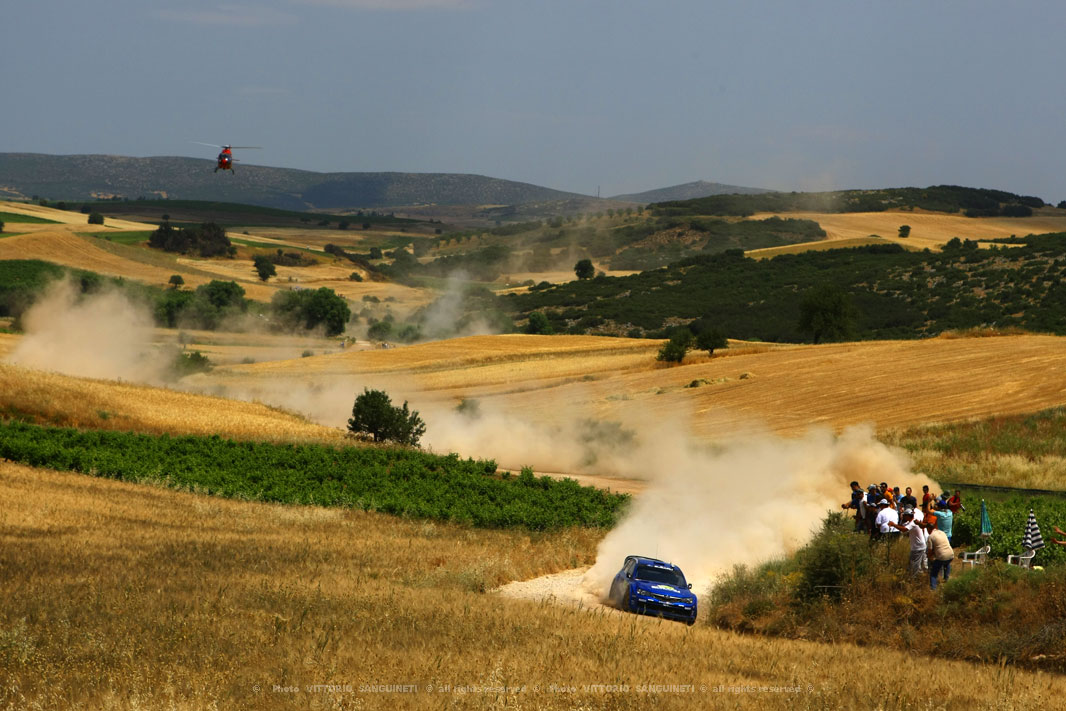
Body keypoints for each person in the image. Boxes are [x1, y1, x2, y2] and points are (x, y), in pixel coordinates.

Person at [890, 508, 928, 576]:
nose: (904, 516)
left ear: (908, 516)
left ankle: (914, 578)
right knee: (916, 563)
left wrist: (893, 525)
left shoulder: (912, 523)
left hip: (918, 547)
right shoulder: (911, 522)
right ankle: (919, 576)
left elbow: (904, 529)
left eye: (904, 515)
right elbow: (902, 526)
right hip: (918, 546)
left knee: (914, 564)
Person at [927, 521, 954, 590]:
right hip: (951, 554)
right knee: (946, 563)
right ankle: (946, 579)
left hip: (942, 556)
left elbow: (930, 550)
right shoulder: (942, 532)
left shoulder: (930, 536)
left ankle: (933, 589)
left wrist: (928, 557)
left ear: (929, 529)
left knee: (933, 573)